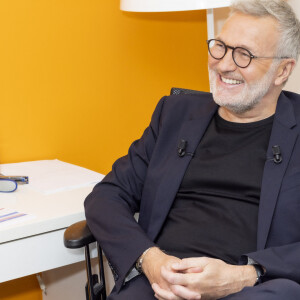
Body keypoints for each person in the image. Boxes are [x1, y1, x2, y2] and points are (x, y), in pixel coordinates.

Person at [85, 0, 300, 299]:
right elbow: (106, 196)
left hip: (256, 287)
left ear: (282, 70)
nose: (224, 64)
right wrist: (151, 260)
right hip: (163, 284)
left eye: (244, 55)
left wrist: (247, 275)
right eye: (221, 47)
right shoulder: (174, 114)